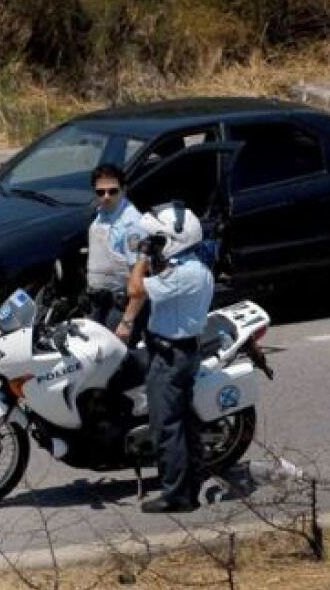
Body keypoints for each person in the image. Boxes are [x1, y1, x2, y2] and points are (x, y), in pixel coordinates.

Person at [119, 202, 215, 513]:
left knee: (167, 428)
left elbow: (135, 289)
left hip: (170, 357)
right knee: (186, 424)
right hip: (181, 352)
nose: (154, 246)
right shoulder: (194, 267)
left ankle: (176, 495)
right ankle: (190, 486)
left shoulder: (183, 275)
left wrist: (142, 257)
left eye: (158, 240)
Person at [86, 164, 143, 337]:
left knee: (117, 359)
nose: (106, 197)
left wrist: (127, 322)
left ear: (124, 190)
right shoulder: (101, 213)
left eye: (112, 191)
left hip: (118, 308)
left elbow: (139, 278)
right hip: (98, 301)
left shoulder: (132, 225)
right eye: (100, 192)